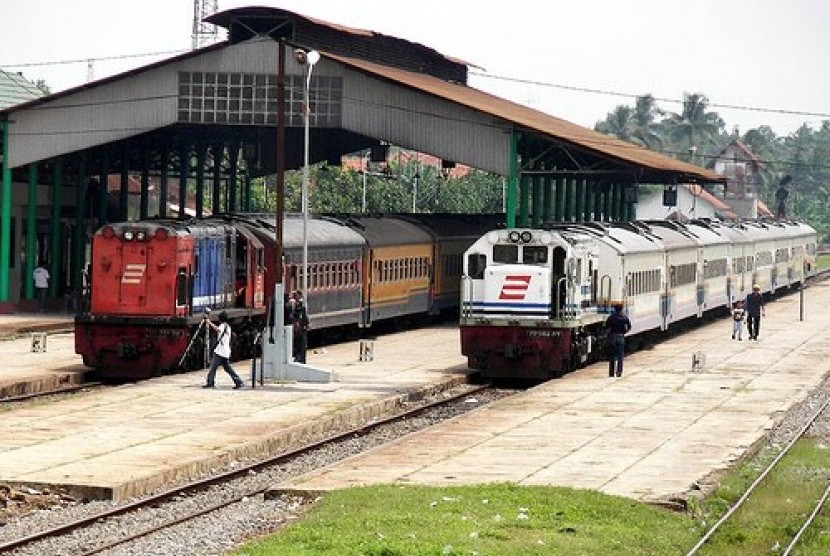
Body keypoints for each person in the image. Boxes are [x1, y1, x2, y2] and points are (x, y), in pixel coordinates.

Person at [202, 311, 244, 389]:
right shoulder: (228, 327)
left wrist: (208, 322)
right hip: (225, 351)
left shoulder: (223, 326)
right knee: (228, 368)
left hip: (220, 351)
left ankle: (210, 382)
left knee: (213, 367)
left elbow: (217, 329)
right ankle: (238, 381)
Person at [605, 303, 631, 377]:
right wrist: (624, 332)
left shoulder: (611, 317)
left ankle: (611, 372)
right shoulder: (624, 318)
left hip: (613, 337)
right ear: (622, 309)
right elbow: (629, 327)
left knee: (612, 356)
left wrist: (609, 334)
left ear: (615, 309)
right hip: (620, 337)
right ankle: (619, 372)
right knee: (620, 356)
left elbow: (607, 327)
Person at [291, 290, 310, 364]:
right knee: (297, 344)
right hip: (298, 327)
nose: (294, 297)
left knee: (300, 344)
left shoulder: (301, 305)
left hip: (300, 327)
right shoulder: (296, 304)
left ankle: (300, 359)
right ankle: (298, 358)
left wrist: (306, 324)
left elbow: (303, 315)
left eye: (296, 295)